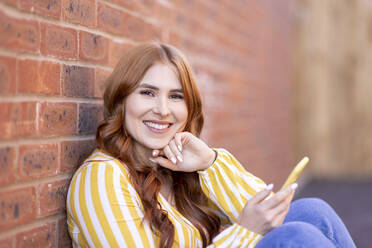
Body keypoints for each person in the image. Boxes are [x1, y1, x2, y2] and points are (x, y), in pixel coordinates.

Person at [66, 42, 356, 247]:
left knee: (312, 212)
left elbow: (267, 215)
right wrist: (244, 232)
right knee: (295, 240)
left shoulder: (174, 170)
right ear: (122, 101)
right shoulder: (102, 177)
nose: (163, 110)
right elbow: (255, 229)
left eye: (176, 97)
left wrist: (209, 164)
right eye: (148, 93)